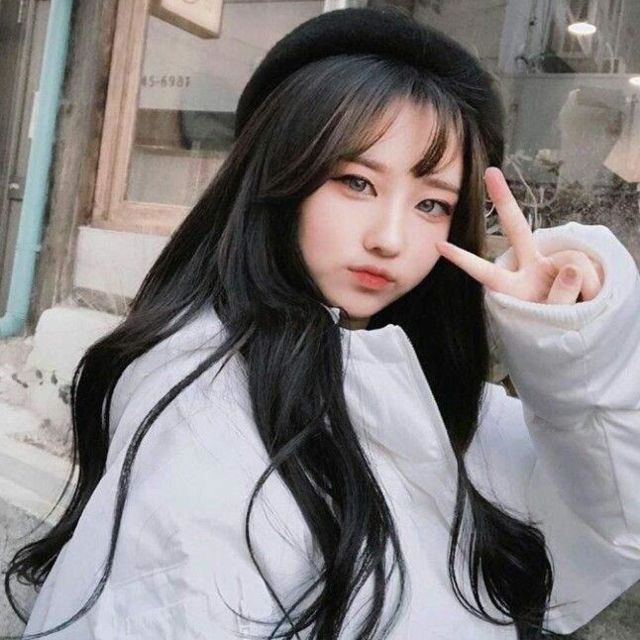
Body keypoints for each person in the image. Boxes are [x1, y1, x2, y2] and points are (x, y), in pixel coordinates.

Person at [5, 6, 640, 640]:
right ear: (279, 173)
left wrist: (573, 351)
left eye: (431, 203)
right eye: (356, 183)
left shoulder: (421, 390)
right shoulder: (205, 409)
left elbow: (612, 528)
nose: (390, 238)